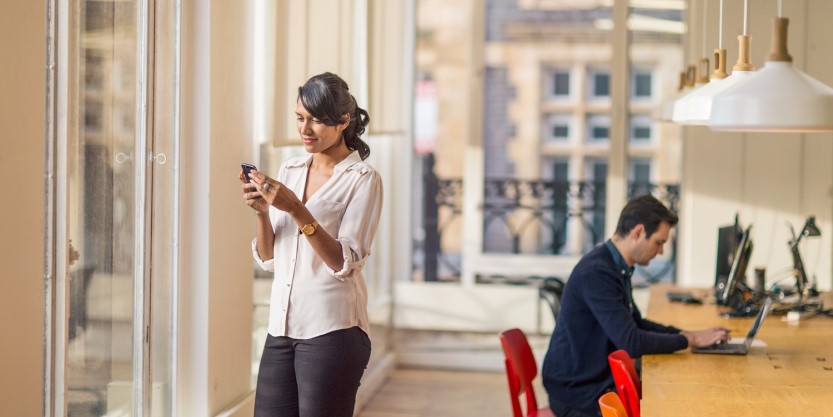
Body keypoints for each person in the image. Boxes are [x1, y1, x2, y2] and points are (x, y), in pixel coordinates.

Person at [239, 72, 383, 417]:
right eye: (301, 118)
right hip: (281, 328)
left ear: (344, 120)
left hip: (332, 331)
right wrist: (262, 212)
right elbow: (271, 259)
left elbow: (344, 263)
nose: (306, 129)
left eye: (318, 120)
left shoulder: (363, 180)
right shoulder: (290, 169)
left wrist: (295, 208)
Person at [541, 195, 730, 417]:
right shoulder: (598, 272)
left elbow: (636, 323)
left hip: (591, 379)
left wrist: (686, 335)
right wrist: (691, 340)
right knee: (665, 402)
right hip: (576, 392)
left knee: (665, 388)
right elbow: (631, 341)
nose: (660, 251)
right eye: (659, 242)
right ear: (638, 232)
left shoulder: (615, 266)